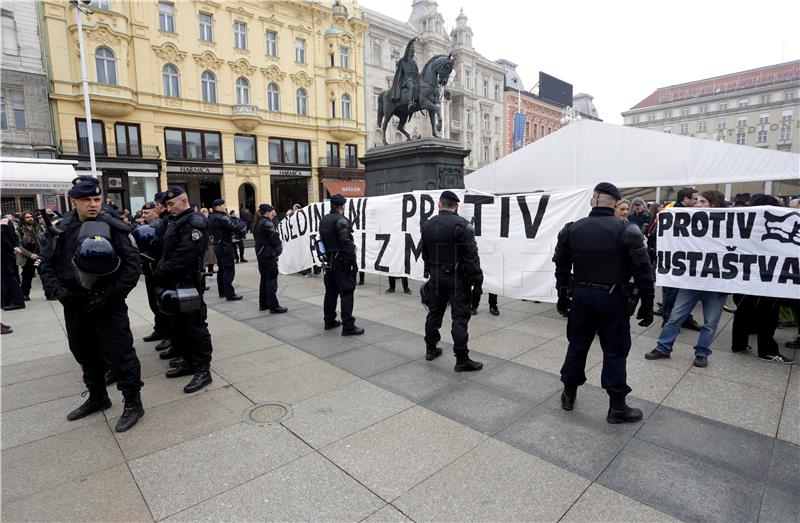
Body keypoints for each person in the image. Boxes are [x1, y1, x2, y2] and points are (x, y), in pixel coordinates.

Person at [39, 175, 144, 432]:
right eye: (86, 199)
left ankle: (133, 403)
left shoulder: (115, 227)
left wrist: (110, 297)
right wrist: (62, 294)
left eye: (97, 199)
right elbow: (47, 265)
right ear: (73, 200)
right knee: (84, 351)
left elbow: (132, 267)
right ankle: (98, 397)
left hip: (108, 304)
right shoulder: (60, 228)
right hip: (75, 303)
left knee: (121, 354)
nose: (93, 204)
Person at [553, 182, 654, 424]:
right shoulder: (627, 230)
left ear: (592, 201)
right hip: (612, 299)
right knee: (615, 351)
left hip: (582, 297)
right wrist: (647, 304)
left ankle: (568, 395)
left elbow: (561, 266)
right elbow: (644, 271)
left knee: (577, 345)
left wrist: (562, 295)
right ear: (616, 204)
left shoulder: (571, 229)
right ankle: (617, 407)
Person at [645, 190, 731, 368]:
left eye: (703, 201)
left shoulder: (729, 225)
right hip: (691, 281)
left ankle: (701, 353)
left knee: (710, 322)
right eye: (697, 201)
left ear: (714, 204)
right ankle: (663, 347)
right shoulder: (689, 220)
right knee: (676, 316)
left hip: (715, 284)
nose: (698, 204)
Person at [152, 188, 215, 392]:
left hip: (188, 283)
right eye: (167, 205)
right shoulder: (177, 220)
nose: (168, 208)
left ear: (184, 201)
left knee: (195, 327)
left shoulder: (195, 222)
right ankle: (188, 362)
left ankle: (203, 370)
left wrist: (161, 271)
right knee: (181, 326)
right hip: (174, 282)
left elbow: (184, 256)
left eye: (172, 204)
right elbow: (167, 250)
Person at [421, 190, 484, 371]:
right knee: (459, 318)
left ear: (439, 204)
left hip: (436, 277)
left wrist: (430, 271)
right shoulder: (463, 226)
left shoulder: (427, 225)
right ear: (456, 206)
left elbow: (424, 253)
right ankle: (462, 358)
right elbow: (471, 256)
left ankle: (430, 349)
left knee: (434, 313)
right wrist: (477, 280)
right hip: (457, 279)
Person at [729, 194, 795, 364]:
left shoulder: (744, 224)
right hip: (765, 278)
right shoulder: (769, 227)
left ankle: (739, 344)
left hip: (745, 276)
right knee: (768, 313)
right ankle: (767, 351)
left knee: (743, 310)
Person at [655, 187, 702, 331]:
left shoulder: (688, 213)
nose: (697, 202)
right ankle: (669, 320)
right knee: (671, 292)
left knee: (683, 292)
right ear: (686, 199)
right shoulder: (671, 213)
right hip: (673, 260)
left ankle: (684, 318)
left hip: (684, 258)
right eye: (694, 199)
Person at [319, 194, 364, 335]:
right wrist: (352, 261)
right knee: (346, 293)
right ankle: (348, 326)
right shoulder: (341, 221)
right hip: (341, 262)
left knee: (331, 293)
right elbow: (346, 243)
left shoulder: (324, 219)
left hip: (329, 261)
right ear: (342, 206)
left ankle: (329, 321)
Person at [137, 201, 173, 354]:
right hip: (151, 269)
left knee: (160, 304)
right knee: (154, 303)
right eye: (143, 213)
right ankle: (160, 329)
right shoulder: (152, 224)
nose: (143, 216)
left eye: (147, 213)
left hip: (156, 269)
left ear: (156, 212)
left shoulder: (156, 224)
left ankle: (168, 334)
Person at [253, 203, 287, 313]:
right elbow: (274, 237)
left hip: (261, 254)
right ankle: (273, 305)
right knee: (271, 280)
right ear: (267, 212)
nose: (273, 212)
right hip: (268, 255)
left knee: (264, 279)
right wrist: (279, 247)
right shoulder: (267, 223)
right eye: (271, 210)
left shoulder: (258, 222)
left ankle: (264, 303)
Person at [207, 199, 243, 301]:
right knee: (228, 269)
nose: (225, 207)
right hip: (225, 245)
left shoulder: (212, 217)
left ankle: (222, 292)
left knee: (222, 269)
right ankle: (230, 294)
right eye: (223, 205)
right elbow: (234, 227)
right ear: (217, 207)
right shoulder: (221, 217)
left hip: (218, 245)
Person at [16, 211, 44, 301]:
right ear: (23, 219)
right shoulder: (19, 230)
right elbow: (18, 245)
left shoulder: (39, 228)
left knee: (45, 274)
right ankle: (25, 294)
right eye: (27, 217)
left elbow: (44, 240)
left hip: (41, 254)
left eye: (31, 216)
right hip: (28, 256)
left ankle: (50, 293)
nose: (30, 218)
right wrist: (30, 254)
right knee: (27, 276)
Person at [1, 215, 25, 310]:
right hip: (8, 253)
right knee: (6, 278)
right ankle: (8, 300)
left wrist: (14, 247)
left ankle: (18, 301)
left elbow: (4, 238)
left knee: (9, 278)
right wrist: (15, 247)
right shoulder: (5, 221)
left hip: (5, 254)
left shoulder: (4, 222)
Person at [390, 37, 419, 110]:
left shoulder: (414, 61)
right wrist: (411, 42)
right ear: (408, 51)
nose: (413, 52)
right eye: (411, 51)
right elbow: (407, 48)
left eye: (413, 51)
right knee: (411, 86)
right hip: (407, 80)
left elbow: (417, 71)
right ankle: (410, 103)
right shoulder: (405, 59)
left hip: (415, 79)